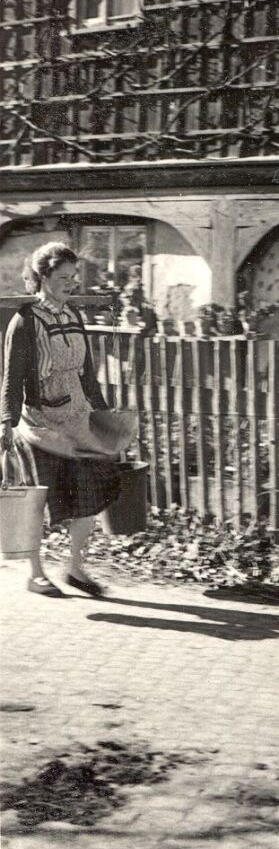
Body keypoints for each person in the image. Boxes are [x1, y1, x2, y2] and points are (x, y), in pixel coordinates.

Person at [0, 242, 136, 597]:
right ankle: (35, 573)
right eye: (63, 277)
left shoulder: (73, 316)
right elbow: (12, 378)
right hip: (40, 423)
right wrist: (6, 421)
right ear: (42, 277)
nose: (71, 284)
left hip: (77, 417)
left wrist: (103, 414)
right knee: (36, 499)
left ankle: (75, 568)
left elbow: (87, 373)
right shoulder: (25, 322)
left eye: (73, 277)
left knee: (90, 492)